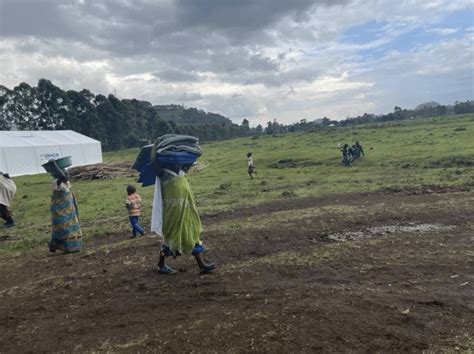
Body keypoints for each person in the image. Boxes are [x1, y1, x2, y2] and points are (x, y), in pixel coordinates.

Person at [155, 164, 215, 275]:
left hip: (187, 211)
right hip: (173, 213)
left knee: (192, 234)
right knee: (171, 237)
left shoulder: (180, 172)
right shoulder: (165, 174)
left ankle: (201, 265)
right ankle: (161, 264)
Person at [48, 167, 82, 253]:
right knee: (63, 226)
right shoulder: (56, 182)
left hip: (68, 209)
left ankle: (71, 245)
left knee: (69, 225)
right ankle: (64, 246)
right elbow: (63, 177)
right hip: (60, 209)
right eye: (65, 174)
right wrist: (54, 165)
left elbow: (64, 178)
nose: (67, 176)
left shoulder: (65, 182)